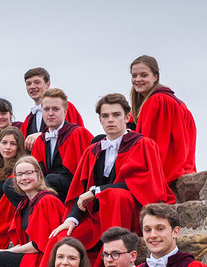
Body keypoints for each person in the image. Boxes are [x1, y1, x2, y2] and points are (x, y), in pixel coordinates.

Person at [50, 94, 175, 254]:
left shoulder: (143, 145)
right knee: (60, 239)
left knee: (117, 196)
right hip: (98, 217)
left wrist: (97, 191)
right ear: (100, 120)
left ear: (127, 117)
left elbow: (144, 185)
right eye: (105, 116)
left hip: (128, 214)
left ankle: (115, 254)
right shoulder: (93, 150)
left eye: (116, 115)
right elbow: (80, 191)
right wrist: (72, 218)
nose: (110, 120)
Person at [129, 55, 197, 185]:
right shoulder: (156, 101)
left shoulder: (159, 101)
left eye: (144, 75)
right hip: (184, 168)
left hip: (167, 170)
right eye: (134, 75)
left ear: (155, 77)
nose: (138, 79)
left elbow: (155, 144)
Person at [28, 89, 93, 196]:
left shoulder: (77, 133)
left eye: (55, 109)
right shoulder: (41, 140)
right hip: (48, 187)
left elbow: (82, 174)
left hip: (74, 189)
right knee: (11, 184)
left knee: (50, 179)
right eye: (46, 109)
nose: (50, 113)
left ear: (65, 112)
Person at [21, 67, 84, 146]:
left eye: (37, 82)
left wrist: (41, 135)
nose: (32, 86)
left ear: (48, 84)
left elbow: (77, 138)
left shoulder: (66, 107)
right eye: (28, 83)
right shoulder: (28, 119)